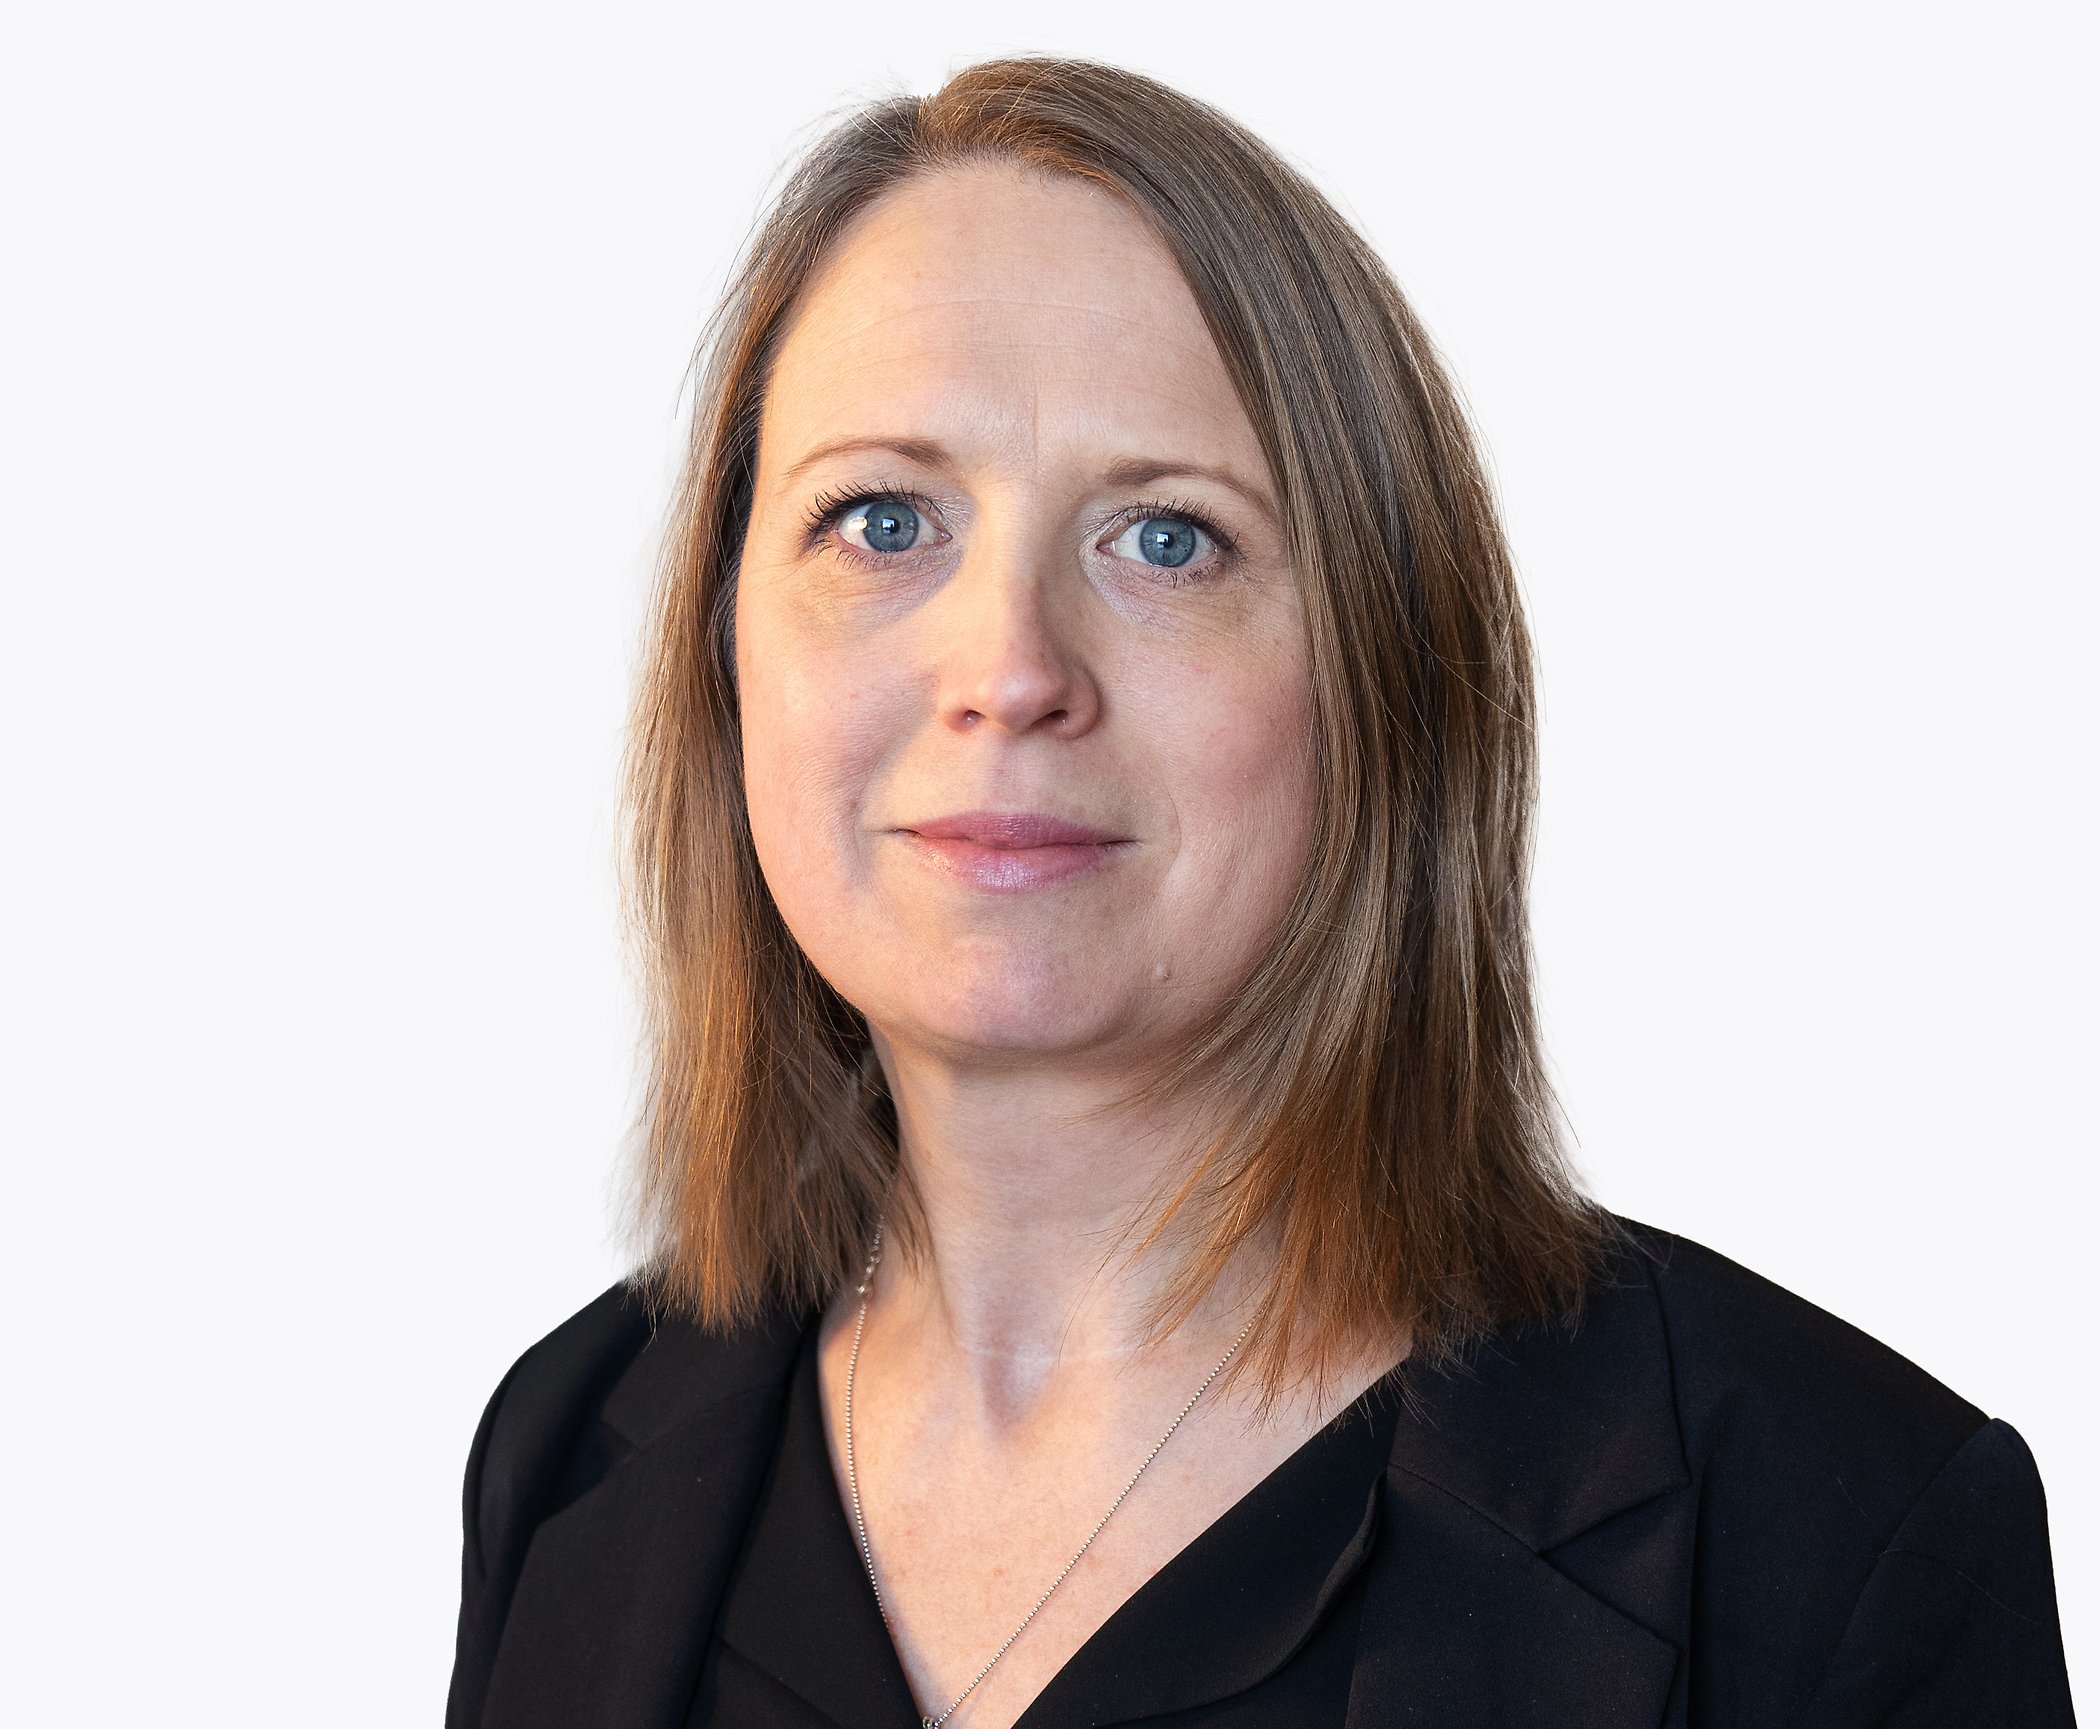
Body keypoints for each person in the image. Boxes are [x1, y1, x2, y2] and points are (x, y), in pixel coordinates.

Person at [445, 56, 2074, 1729]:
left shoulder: (1839, 1533)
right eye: (881, 520)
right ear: (724, 651)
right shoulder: (575, 1446)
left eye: (1167, 538)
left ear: (1382, 669)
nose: (1008, 670)